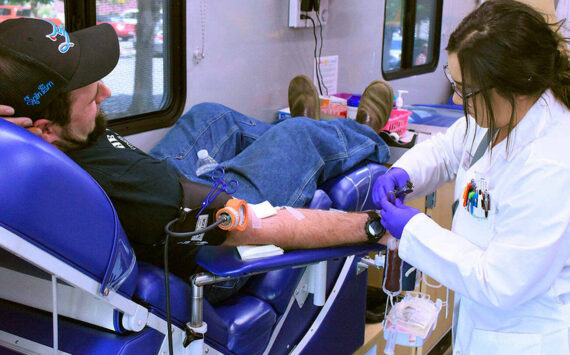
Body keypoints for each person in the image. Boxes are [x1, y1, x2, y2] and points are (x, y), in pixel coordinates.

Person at [0, 18, 394, 302]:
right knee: (298, 135)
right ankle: (370, 136)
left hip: (158, 183)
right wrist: (376, 226)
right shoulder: (128, 190)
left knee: (212, 115)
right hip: (201, 248)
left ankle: (327, 132)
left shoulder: (41, 135)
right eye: (90, 98)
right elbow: (255, 227)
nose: (105, 92)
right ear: (44, 130)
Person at [372, 1, 570, 353]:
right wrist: (404, 172)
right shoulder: (500, 115)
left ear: (514, 84)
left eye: (466, 89)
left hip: (524, 338)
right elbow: (448, 149)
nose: (455, 97)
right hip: (481, 326)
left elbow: (499, 281)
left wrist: (415, 228)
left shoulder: (552, 163)